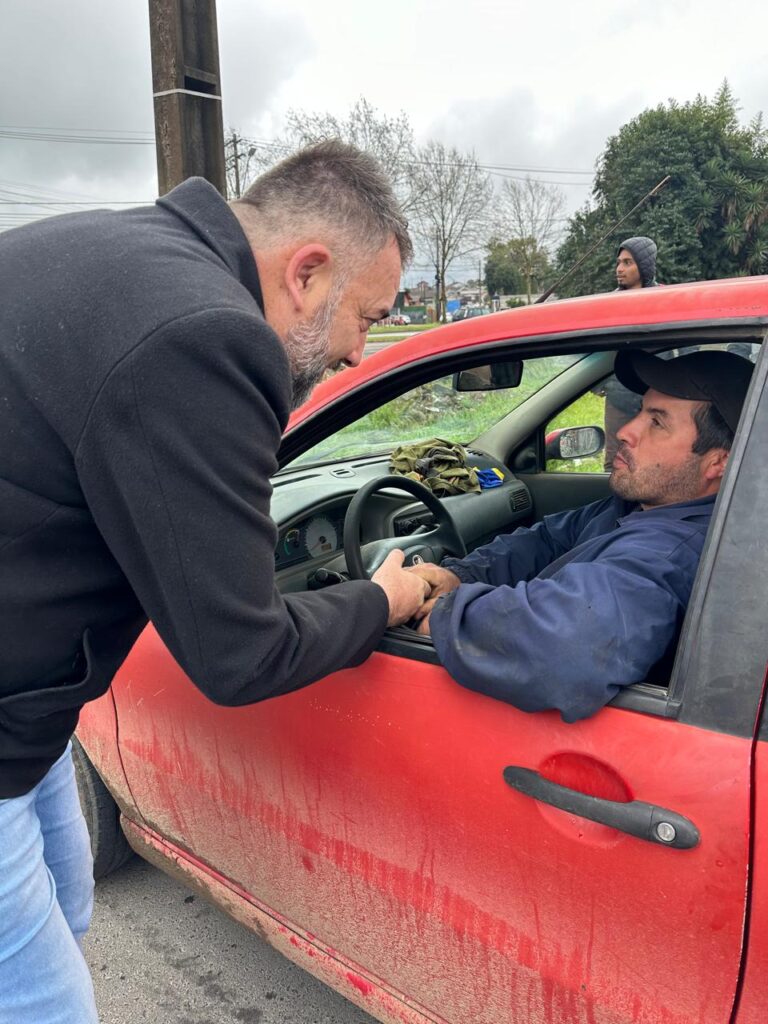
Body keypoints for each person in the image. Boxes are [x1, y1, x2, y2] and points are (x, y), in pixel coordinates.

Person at [0, 142, 430, 1022]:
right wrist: (386, 597)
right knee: (47, 1003)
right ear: (308, 273)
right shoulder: (204, 333)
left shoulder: (99, 248)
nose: (360, 353)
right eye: (366, 316)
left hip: (25, 712)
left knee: (69, 906)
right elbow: (239, 652)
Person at [409, 349, 753, 723]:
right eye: (640, 410)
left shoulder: (672, 553)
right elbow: (547, 540)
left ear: (719, 462)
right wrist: (460, 576)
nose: (625, 431)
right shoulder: (640, 504)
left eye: (657, 422)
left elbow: (566, 646)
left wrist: (444, 618)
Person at [600, 236, 661, 468]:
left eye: (627, 263)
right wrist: (602, 385)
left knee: (652, 462)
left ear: (644, 266)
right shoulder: (610, 305)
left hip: (655, 396)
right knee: (615, 462)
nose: (619, 269)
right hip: (619, 398)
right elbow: (597, 349)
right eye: (618, 263)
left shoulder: (663, 301)